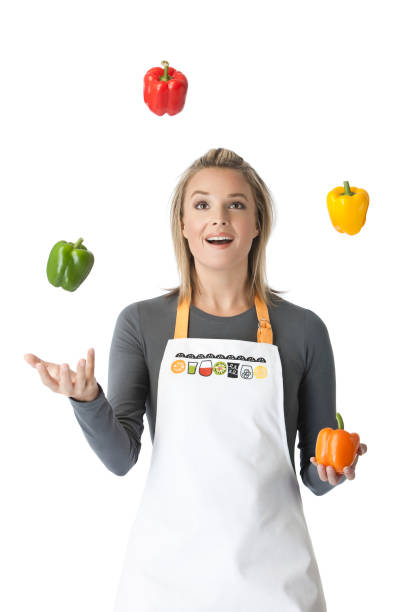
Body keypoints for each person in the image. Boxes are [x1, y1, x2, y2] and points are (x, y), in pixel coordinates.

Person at [24, 147, 367, 611]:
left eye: (237, 205)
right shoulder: (141, 323)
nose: (219, 218)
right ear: (183, 225)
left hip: (275, 585)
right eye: (202, 205)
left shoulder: (305, 330)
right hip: (165, 584)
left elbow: (315, 470)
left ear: (257, 224)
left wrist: (333, 471)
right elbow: (121, 457)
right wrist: (87, 401)